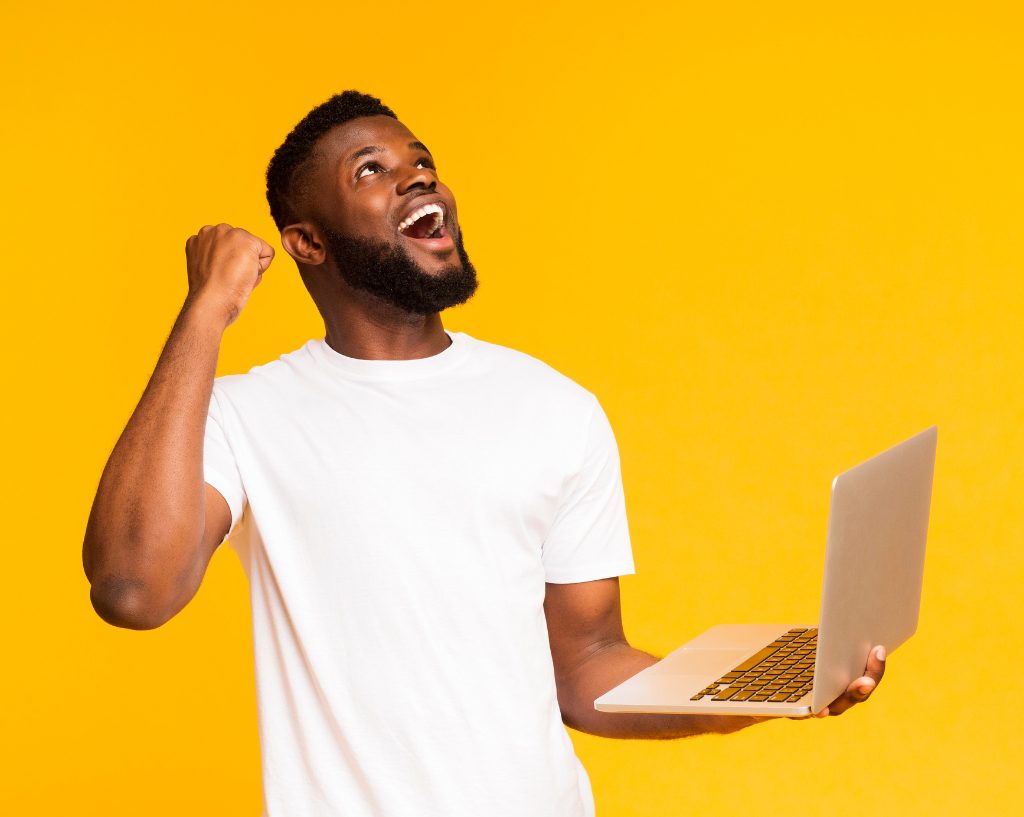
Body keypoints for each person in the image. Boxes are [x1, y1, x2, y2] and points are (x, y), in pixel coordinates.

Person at [82, 90, 886, 817]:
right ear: (307, 243)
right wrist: (205, 312)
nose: (418, 179)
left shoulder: (554, 409)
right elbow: (131, 587)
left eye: (422, 162)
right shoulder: (246, 415)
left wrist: (779, 680)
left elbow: (589, 665)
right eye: (374, 169)